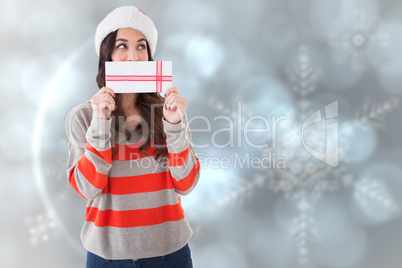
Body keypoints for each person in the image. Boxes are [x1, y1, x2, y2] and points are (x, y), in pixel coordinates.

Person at [65, 6, 200, 268]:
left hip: (170, 255)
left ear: (149, 57)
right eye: (122, 46)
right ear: (107, 55)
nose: (133, 57)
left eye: (141, 47)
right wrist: (101, 123)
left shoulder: (168, 112)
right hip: (107, 257)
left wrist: (174, 124)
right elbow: (87, 188)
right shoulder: (84, 116)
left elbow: (186, 183)